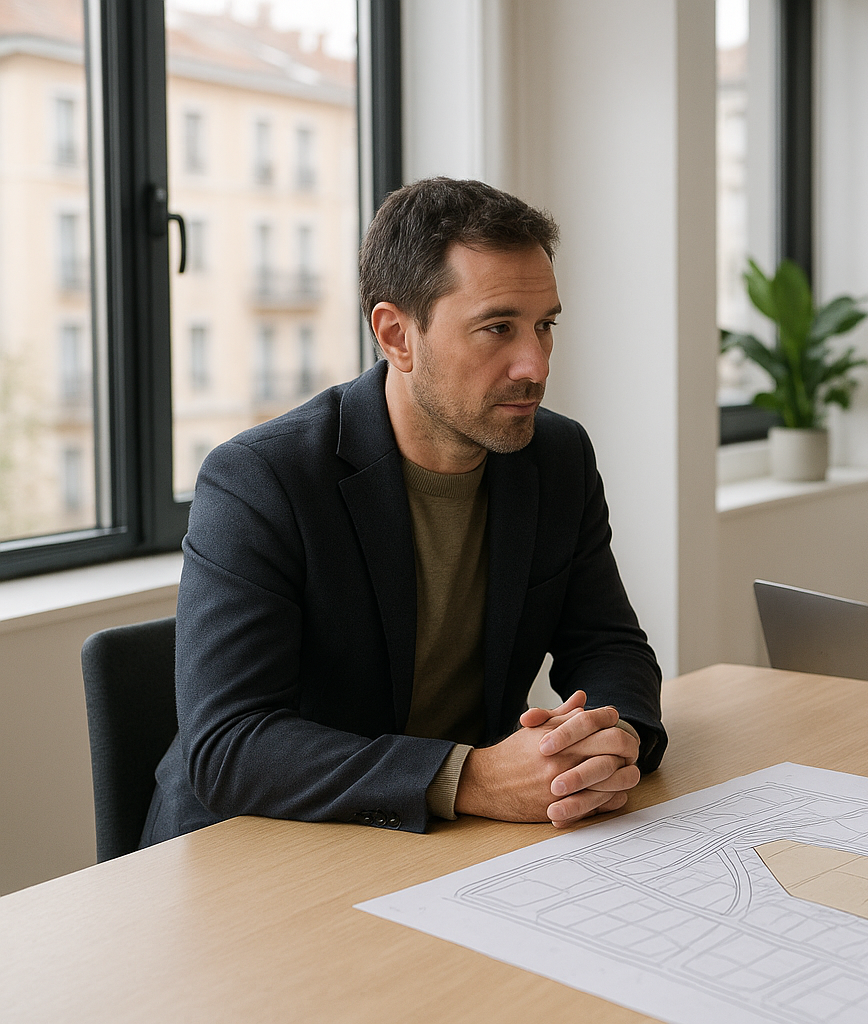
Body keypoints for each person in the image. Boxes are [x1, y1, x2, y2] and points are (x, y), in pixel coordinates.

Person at [142, 178, 665, 846]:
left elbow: (607, 643)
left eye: (544, 326)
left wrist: (608, 741)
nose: (534, 364)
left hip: (450, 843)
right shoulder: (261, 480)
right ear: (396, 336)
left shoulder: (557, 457)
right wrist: (470, 778)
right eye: (497, 328)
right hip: (261, 846)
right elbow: (230, 745)